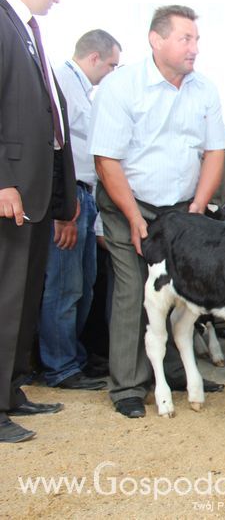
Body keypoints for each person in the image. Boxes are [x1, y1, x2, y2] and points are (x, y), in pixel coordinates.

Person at [89, 5, 225, 418]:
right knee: (135, 288)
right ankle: (128, 386)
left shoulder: (204, 88)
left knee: (183, 289)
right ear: (156, 39)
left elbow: (215, 151)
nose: (194, 48)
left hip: (183, 209)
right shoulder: (122, 86)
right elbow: (106, 160)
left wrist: (199, 207)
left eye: (196, 40)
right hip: (128, 203)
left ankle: (173, 369)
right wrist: (133, 216)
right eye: (186, 39)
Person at [0, 0, 76, 444]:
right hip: (12, 185)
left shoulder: (26, 29)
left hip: (38, 187)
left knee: (25, 297)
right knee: (4, 299)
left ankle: (10, 389)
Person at [40, 29, 121, 392]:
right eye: (110, 65)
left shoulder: (81, 91)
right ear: (93, 59)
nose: (111, 73)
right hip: (71, 195)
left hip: (84, 194)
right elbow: (56, 146)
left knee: (83, 284)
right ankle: (59, 366)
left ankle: (72, 356)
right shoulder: (62, 83)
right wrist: (63, 207)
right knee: (64, 285)